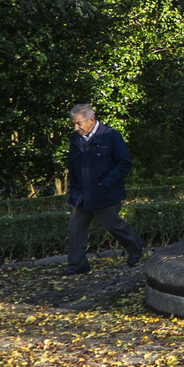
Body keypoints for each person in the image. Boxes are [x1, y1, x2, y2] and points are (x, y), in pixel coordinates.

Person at [64, 104, 143, 275]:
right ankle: (77, 265)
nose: (76, 128)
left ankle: (135, 247)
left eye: (78, 123)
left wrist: (105, 184)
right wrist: (72, 188)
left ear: (91, 120)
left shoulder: (111, 136)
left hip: (105, 193)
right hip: (81, 195)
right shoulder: (75, 139)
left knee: (113, 225)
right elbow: (72, 165)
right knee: (75, 229)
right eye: (74, 124)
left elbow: (124, 163)